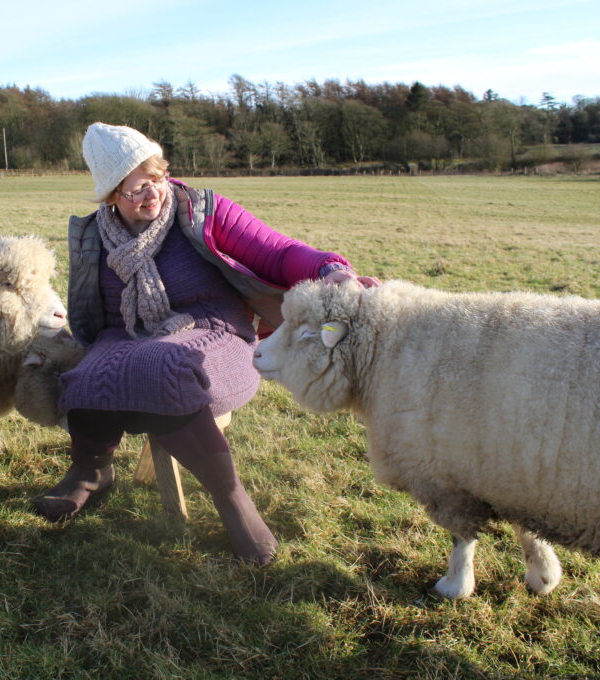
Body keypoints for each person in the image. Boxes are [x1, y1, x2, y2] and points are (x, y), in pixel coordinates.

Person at [33, 122, 380, 565]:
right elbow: (91, 315)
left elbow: (278, 252)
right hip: (124, 336)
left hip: (213, 329)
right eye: (137, 189)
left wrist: (330, 269)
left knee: (166, 369)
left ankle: (231, 499)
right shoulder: (92, 235)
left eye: (156, 178)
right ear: (110, 196)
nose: (152, 194)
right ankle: (91, 472)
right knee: (82, 378)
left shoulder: (200, 210)